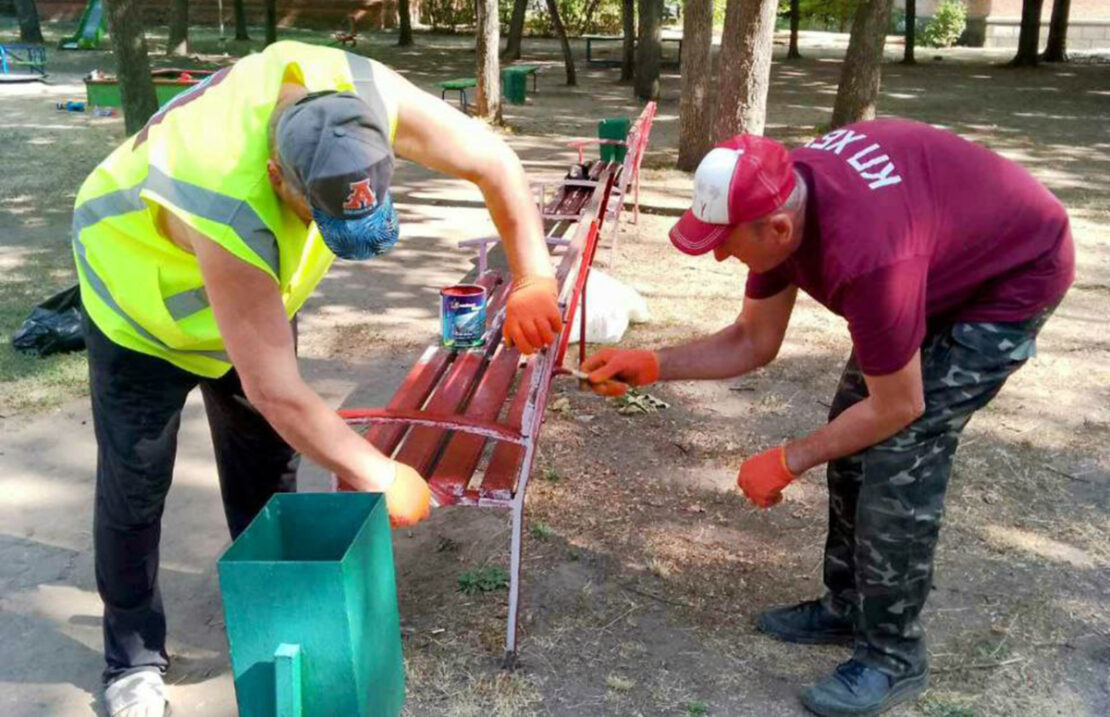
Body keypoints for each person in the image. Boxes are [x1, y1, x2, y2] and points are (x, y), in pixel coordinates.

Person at [73, 41, 562, 717]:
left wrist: (534, 272)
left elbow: (496, 161)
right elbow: (275, 389)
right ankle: (132, 659)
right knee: (135, 483)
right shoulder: (223, 192)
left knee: (266, 462)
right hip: (140, 308)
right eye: (320, 219)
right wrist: (380, 471)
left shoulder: (364, 93)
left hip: (248, 297)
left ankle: (272, 604)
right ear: (279, 176)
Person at [583, 119, 1074, 717]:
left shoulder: (869, 258)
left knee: (898, 455)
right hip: (936, 256)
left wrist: (790, 459)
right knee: (853, 439)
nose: (715, 254)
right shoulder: (778, 203)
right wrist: (654, 363)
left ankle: (894, 657)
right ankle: (847, 608)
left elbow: (900, 405)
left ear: (779, 228)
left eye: (722, 240)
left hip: (1008, 278)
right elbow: (752, 340)